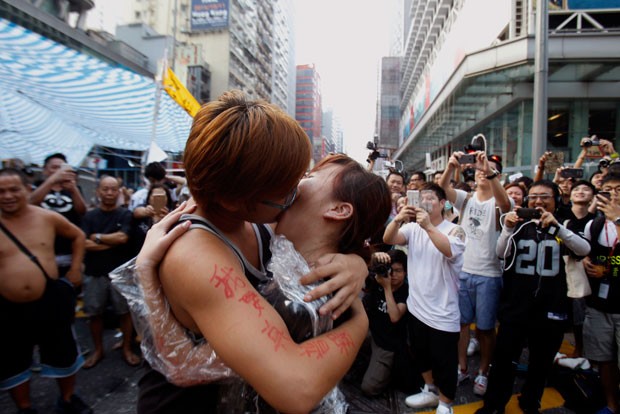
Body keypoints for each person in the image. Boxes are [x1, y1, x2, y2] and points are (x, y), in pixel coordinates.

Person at [133, 91, 372, 413]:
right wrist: (359, 323)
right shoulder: (197, 257)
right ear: (234, 200)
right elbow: (296, 389)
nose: (297, 191)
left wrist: (356, 263)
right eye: (287, 189)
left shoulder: (256, 221)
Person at [477, 180, 590, 414]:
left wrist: (558, 228)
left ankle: (531, 401)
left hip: (553, 307)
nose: (538, 201)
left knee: (541, 362)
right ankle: (494, 405)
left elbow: (584, 249)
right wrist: (507, 228)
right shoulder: (518, 225)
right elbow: (500, 253)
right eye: (534, 197)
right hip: (515, 307)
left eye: (545, 196)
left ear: (556, 200)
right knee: (504, 360)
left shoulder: (565, 224)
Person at [0, 168, 91, 414]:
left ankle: (68, 398)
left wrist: (74, 269)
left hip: (49, 298)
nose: (7, 196)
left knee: (63, 350)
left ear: (27, 190)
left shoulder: (46, 217)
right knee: (12, 358)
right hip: (7, 306)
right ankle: (24, 407)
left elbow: (78, 235)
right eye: (1, 191)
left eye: (13, 189)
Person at [383, 183, 466, 414]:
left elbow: (449, 250)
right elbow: (389, 238)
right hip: (417, 307)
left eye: (431, 199)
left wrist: (428, 226)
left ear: (442, 203)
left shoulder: (454, 230)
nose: (426, 202)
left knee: (445, 362)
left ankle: (446, 403)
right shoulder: (412, 229)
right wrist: (399, 218)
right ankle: (429, 390)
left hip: (443, 312)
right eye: (422, 198)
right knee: (420, 353)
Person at [440, 151, 512, 396]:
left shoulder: (500, 201)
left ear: (497, 175)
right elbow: (442, 190)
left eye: (489, 170)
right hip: (462, 271)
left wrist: (489, 171)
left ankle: (483, 371)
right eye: (479, 169)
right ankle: (462, 368)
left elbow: (505, 205)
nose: (482, 171)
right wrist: (450, 168)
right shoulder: (466, 198)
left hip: (489, 274)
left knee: (485, 328)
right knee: (461, 325)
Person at [81, 175, 139, 369]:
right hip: (95, 273)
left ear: (119, 191)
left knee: (124, 312)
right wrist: (109, 241)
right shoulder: (89, 216)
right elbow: (84, 244)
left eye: (113, 189)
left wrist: (96, 237)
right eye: (105, 189)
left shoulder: (125, 215)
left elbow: (123, 238)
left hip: (119, 274)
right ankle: (98, 350)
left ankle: (126, 348)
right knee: (94, 313)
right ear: (98, 191)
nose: (109, 193)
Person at [582, 173, 620, 414]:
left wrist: (617, 218)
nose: (613, 194)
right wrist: (585, 260)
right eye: (608, 190)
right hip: (598, 303)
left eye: (618, 189)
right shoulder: (594, 224)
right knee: (604, 359)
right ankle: (611, 403)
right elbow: (584, 249)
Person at [29, 153, 87, 277]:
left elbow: (82, 211)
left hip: (68, 251)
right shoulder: (37, 186)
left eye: (61, 168)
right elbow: (30, 203)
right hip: (40, 249)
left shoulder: (73, 189)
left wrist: (73, 189)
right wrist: (51, 181)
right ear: (45, 170)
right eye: (54, 167)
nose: (58, 171)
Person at [361, 250, 409, 396]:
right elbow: (362, 263)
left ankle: (387, 372)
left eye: (398, 271)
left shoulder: (406, 291)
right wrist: (376, 258)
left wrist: (387, 288)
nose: (393, 275)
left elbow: (395, 316)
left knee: (368, 388)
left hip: (388, 346)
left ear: (406, 273)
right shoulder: (379, 279)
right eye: (390, 270)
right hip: (371, 334)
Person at [563, 180, 597, 358]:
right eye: (576, 189)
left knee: (582, 316)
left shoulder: (597, 221)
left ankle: (583, 349)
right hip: (564, 272)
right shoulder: (563, 217)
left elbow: (611, 252)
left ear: (593, 195)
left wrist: (592, 260)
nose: (581, 192)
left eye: (586, 189)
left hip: (591, 277)